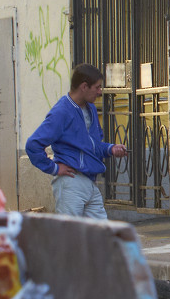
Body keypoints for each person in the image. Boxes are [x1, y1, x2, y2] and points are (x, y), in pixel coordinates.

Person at [25, 63, 127, 218]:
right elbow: (33, 145)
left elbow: (92, 145)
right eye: (97, 87)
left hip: (90, 183)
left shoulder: (90, 108)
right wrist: (54, 168)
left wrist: (110, 149)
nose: (100, 92)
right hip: (71, 183)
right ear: (84, 87)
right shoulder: (61, 112)